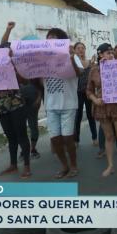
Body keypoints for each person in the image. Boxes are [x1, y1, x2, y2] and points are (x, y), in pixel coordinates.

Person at [87, 43, 117, 179]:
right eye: (107, 53)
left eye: (111, 52)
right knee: (108, 137)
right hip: (102, 108)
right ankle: (110, 165)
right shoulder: (94, 70)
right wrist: (95, 100)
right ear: (100, 54)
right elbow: (89, 90)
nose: (110, 55)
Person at [0, 21, 43, 160]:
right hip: (18, 99)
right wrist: (8, 30)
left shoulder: (39, 63)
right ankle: (24, 150)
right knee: (20, 126)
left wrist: (38, 98)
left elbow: (41, 83)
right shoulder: (15, 59)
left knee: (33, 124)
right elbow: (3, 46)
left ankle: (33, 148)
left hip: (33, 98)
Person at [44, 28, 83, 179]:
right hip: (50, 105)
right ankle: (64, 165)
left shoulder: (72, 55)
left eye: (53, 38)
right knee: (55, 139)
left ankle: (73, 165)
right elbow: (30, 76)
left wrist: (72, 56)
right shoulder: (43, 58)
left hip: (68, 104)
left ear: (62, 40)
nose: (50, 41)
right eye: (48, 38)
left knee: (68, 138)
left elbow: (79, 73)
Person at [74, 42, 98, 147]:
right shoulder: (73, 63)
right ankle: (76, 140)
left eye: (82, 48)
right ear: (74, 50)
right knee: (78, 116)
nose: (80, 50)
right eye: (78, 48)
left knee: (90, 115)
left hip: (88, 93)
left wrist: (92, 66)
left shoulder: (90, 62)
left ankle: (94, 138)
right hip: (77, 93)